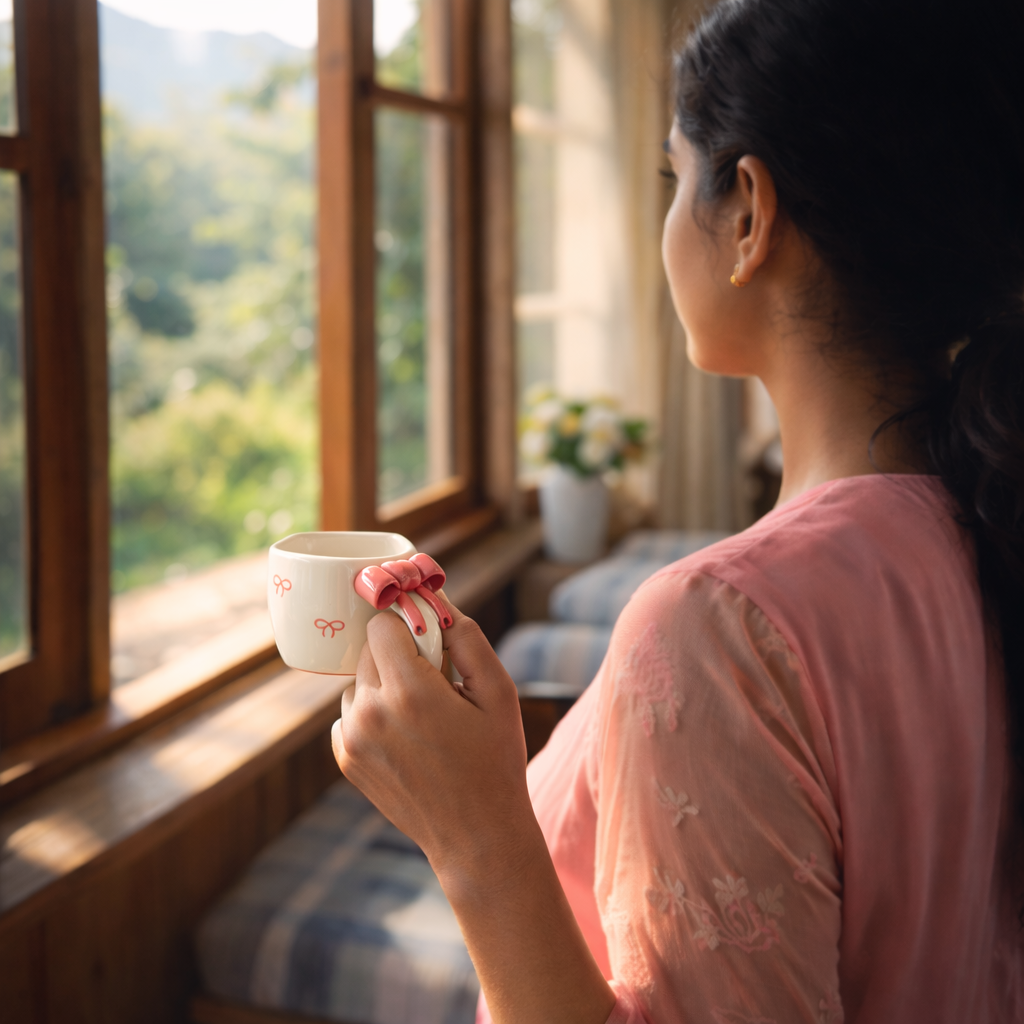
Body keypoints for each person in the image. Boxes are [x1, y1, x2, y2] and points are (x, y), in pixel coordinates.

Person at [332, 0, 1024, 1019]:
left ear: (747, 211)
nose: (665, 220)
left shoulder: (721, 621)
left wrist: (476, 839)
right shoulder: (982, 524)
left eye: (672, 176)